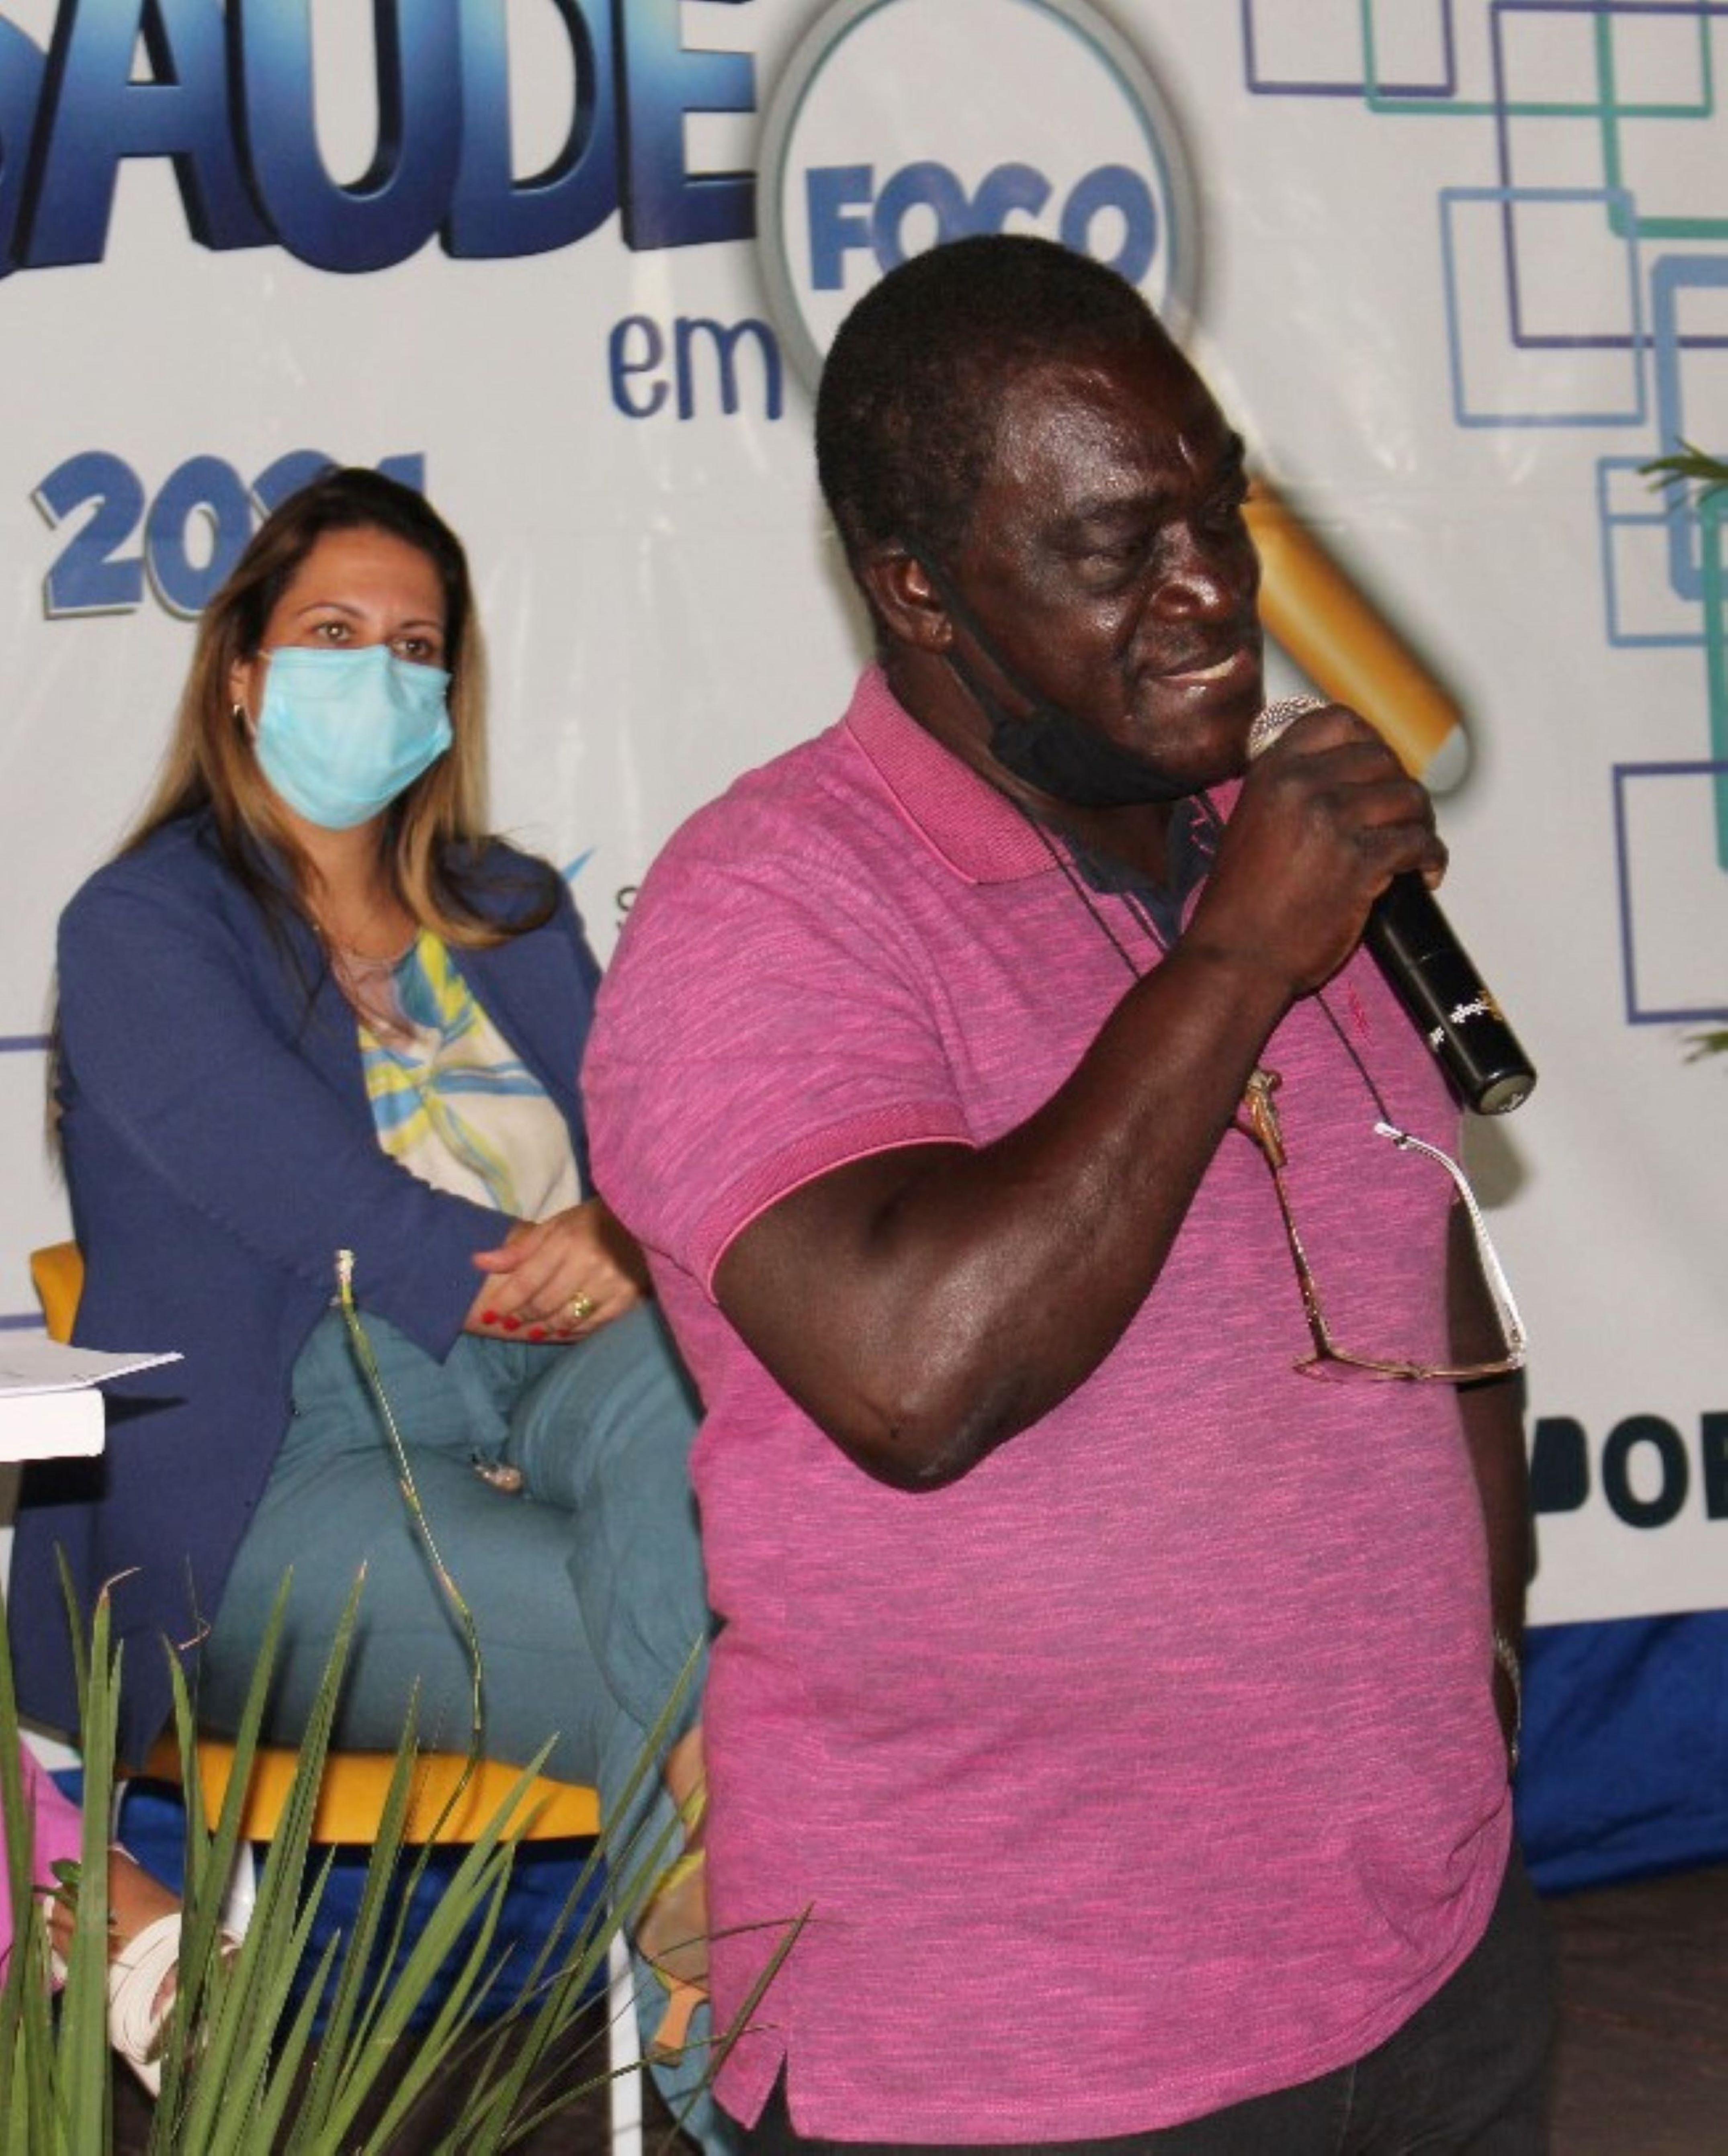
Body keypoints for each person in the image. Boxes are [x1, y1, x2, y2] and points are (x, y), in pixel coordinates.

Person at [584, 235, 1552, 2151]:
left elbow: (1424, 1269)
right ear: (919, 588)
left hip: (1426, 1964)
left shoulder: (1282, 850)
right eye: (1116, 550)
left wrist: (1482, 1684)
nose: (1211, 590)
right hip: (1015, 2048)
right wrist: (1232, 962)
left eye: (1219, 509)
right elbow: (915, 1370)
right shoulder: (766, 905)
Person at [9, 468, 721, 2131]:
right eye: (333, 634)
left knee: (692, 1397)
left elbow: (660, 1153)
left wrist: (631, 1228)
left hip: (570, 1373)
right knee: (728, 1673)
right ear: (240, 670)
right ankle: (739, 2089)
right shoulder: (141, 925)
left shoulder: (515, 910)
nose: (377, 674)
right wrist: (572, 1257)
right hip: (288, 1456)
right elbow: (319, 1203)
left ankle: (742, 2054)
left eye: (414, 647)